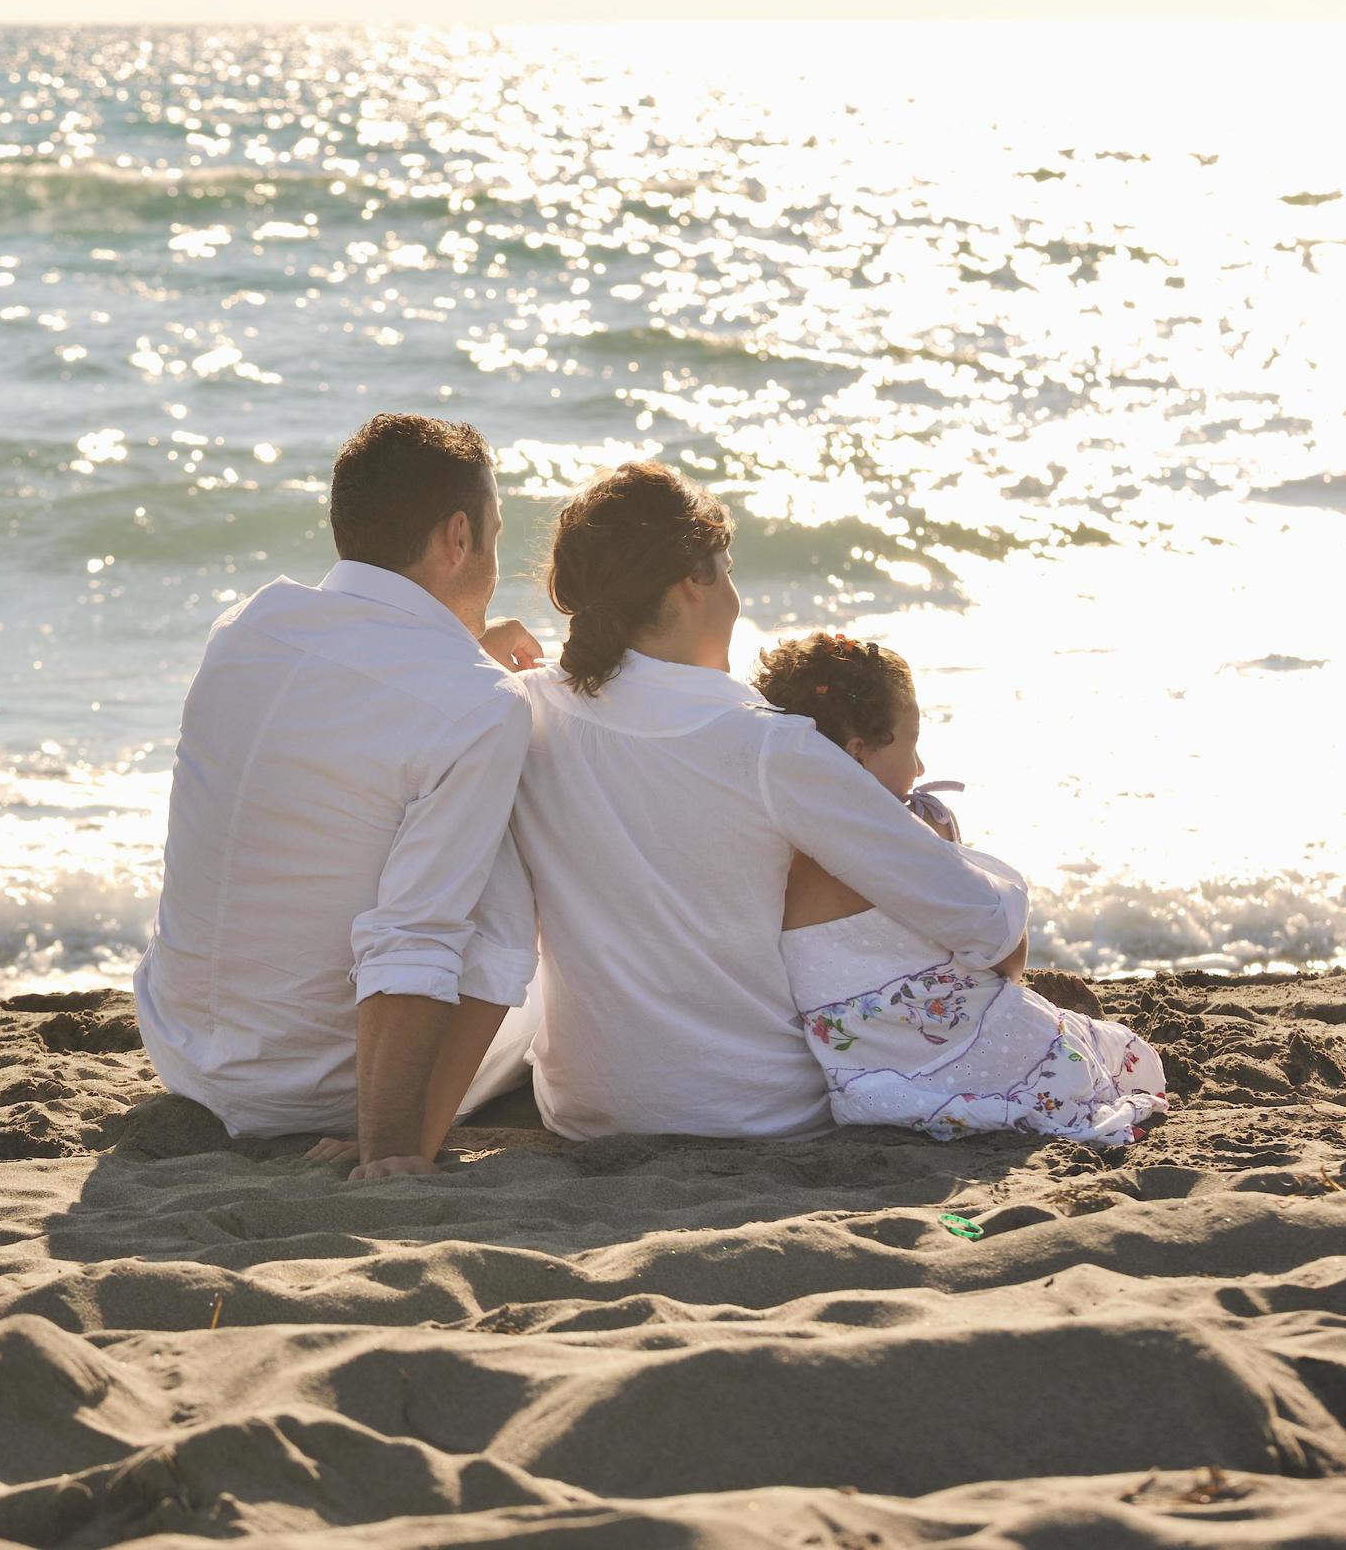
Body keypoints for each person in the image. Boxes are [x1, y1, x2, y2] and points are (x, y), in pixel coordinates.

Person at [499, 461, 1032, 1139]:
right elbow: (984, 923)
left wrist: (484, 642)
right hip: (756, 1111)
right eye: (728, 565)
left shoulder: (521, 707)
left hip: (586, 1110)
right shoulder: (769, 748)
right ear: (696, 580)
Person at [133, 413, 542, 1178]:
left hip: (188, 1057)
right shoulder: (482, 704)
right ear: (459, 539)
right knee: (517, 872)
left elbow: (370, 722)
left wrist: (467, 654)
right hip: (330, 1090)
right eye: (493, 534)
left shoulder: (246, 627)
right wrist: (391, 1147)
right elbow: (415, 932)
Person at [755, 632, 1171, 1144]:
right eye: (912, 744)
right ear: (858, 754)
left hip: (869, 1076)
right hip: (958, 1054)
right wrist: (946, 848)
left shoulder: (769, 842)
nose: (922, 768)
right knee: (1121, 1056)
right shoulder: (890, 847)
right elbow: (1005, 957)